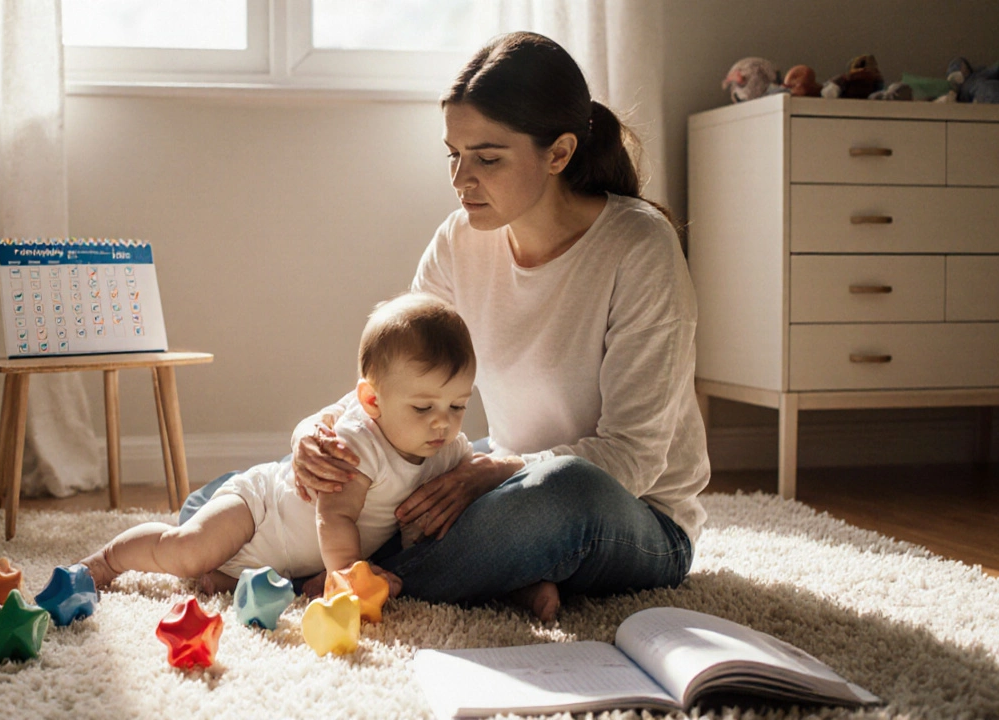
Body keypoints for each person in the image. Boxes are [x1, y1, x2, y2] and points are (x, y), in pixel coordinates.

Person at [182, 31, 710, 622]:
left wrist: (490, 473)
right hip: (505, 471)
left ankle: (327, 579)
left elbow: (633, 460)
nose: (461, 180)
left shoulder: (640, 246)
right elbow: (398, 376)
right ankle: (491, 575)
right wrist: (319, 433)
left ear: (559, 153)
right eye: (453, 155)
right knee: (255, 491)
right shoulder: (460, 239)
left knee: (560, 491)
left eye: (487, 158)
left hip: (628, 514)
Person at [80, 293, 477, 595]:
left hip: (286, 558)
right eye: (423, 407)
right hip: (260, 511)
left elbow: (481, 471)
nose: (442, 422)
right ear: (372, 400)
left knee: (231, 582)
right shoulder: (356, 444)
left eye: (458, 404)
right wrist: (348, 578)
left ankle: (227, 575)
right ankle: (107, 561)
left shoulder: (446, 450)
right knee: (188, 551)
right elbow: (334, 518)